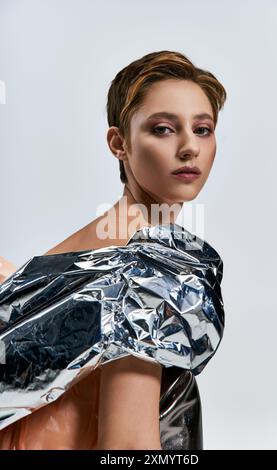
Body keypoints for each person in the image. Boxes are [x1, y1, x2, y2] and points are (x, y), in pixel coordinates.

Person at [0, 50, 227, 450]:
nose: (190, 147)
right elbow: (127, 448)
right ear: (118, 143)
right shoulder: (147, 271)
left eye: (203, 129)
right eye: (162, 129)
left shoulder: (81, 253)